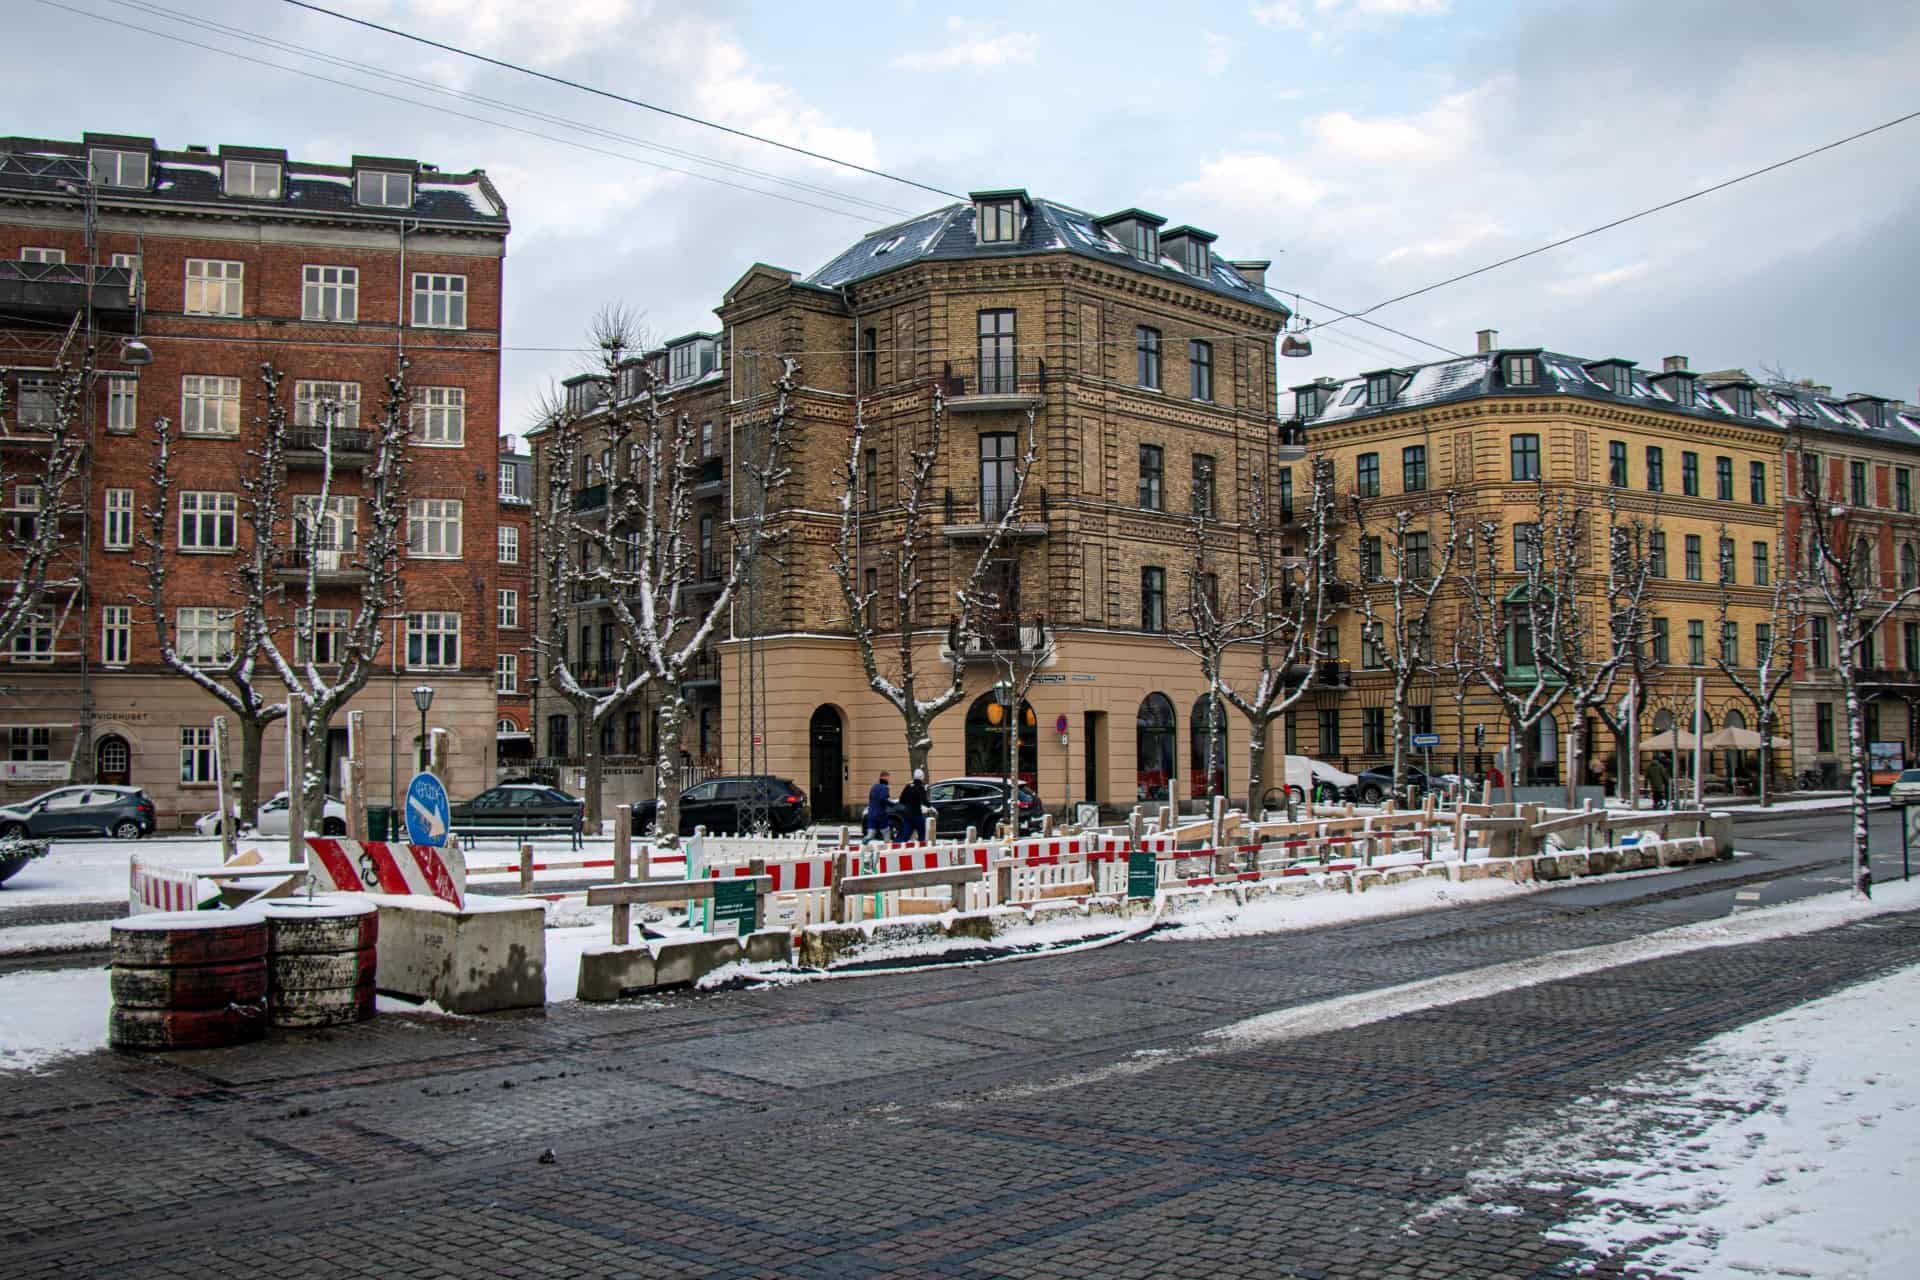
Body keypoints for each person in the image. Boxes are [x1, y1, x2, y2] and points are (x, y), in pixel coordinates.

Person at [899, 768, 929, 843]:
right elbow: (924, 801)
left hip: (907, 814)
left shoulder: (908, 787)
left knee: (906, 834)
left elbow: (901, 800)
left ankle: (902, 847)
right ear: (922, 777)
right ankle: (921, 845)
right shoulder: (921, 787)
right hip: (917, 814)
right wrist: (930, 806)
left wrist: (907, 805)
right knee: (922, 831)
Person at [863, 770, 892, 840]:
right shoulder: (885, 787)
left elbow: (870, 799)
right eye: (888, 777)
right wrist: (892, 804)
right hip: (881, 814)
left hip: (871, 814)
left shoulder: (874, 787)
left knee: (870, 834)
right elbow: (883, 799)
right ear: (885, 777)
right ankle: (887, 850)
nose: (889, 779)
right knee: (886, 833)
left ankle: (863, 847)